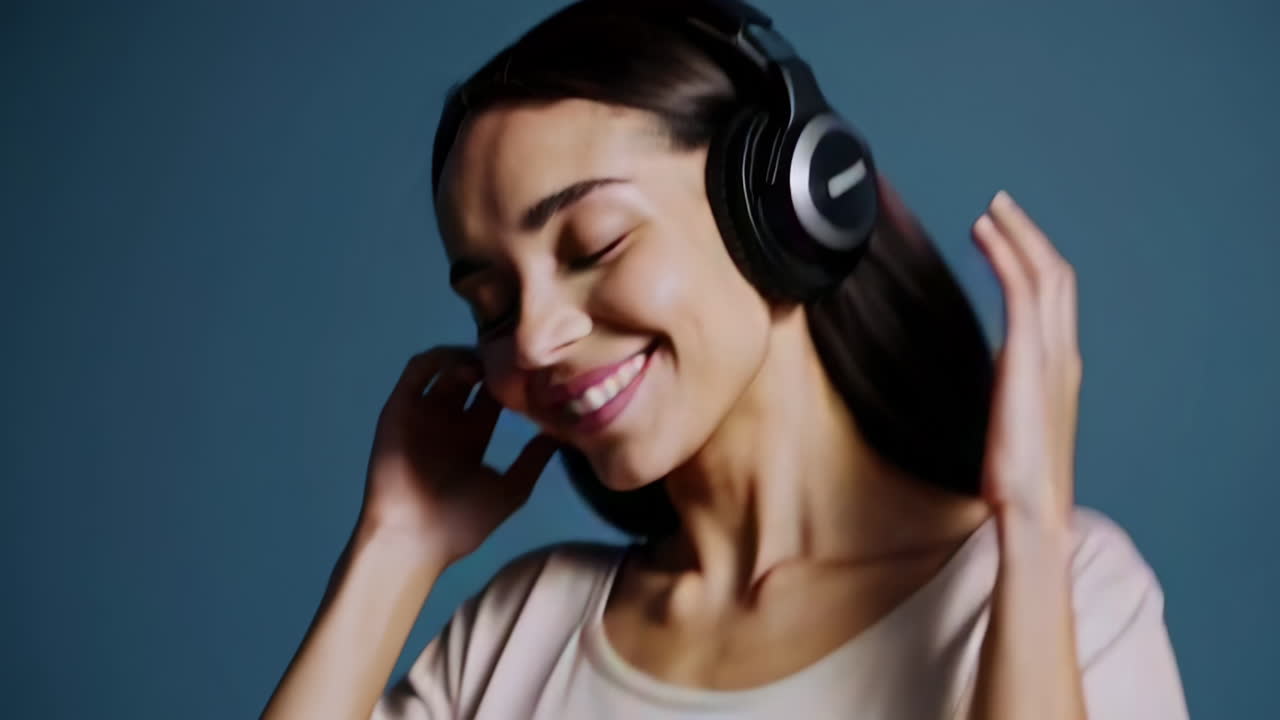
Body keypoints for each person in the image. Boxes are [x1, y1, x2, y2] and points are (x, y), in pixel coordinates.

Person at [262, 1, 1189, 718]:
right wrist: (396, 548)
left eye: (595, 245)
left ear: (784, 213)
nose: (537, 339)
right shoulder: (522, 631)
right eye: (491, 305)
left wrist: (1028, 524)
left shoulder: (1059, 587)